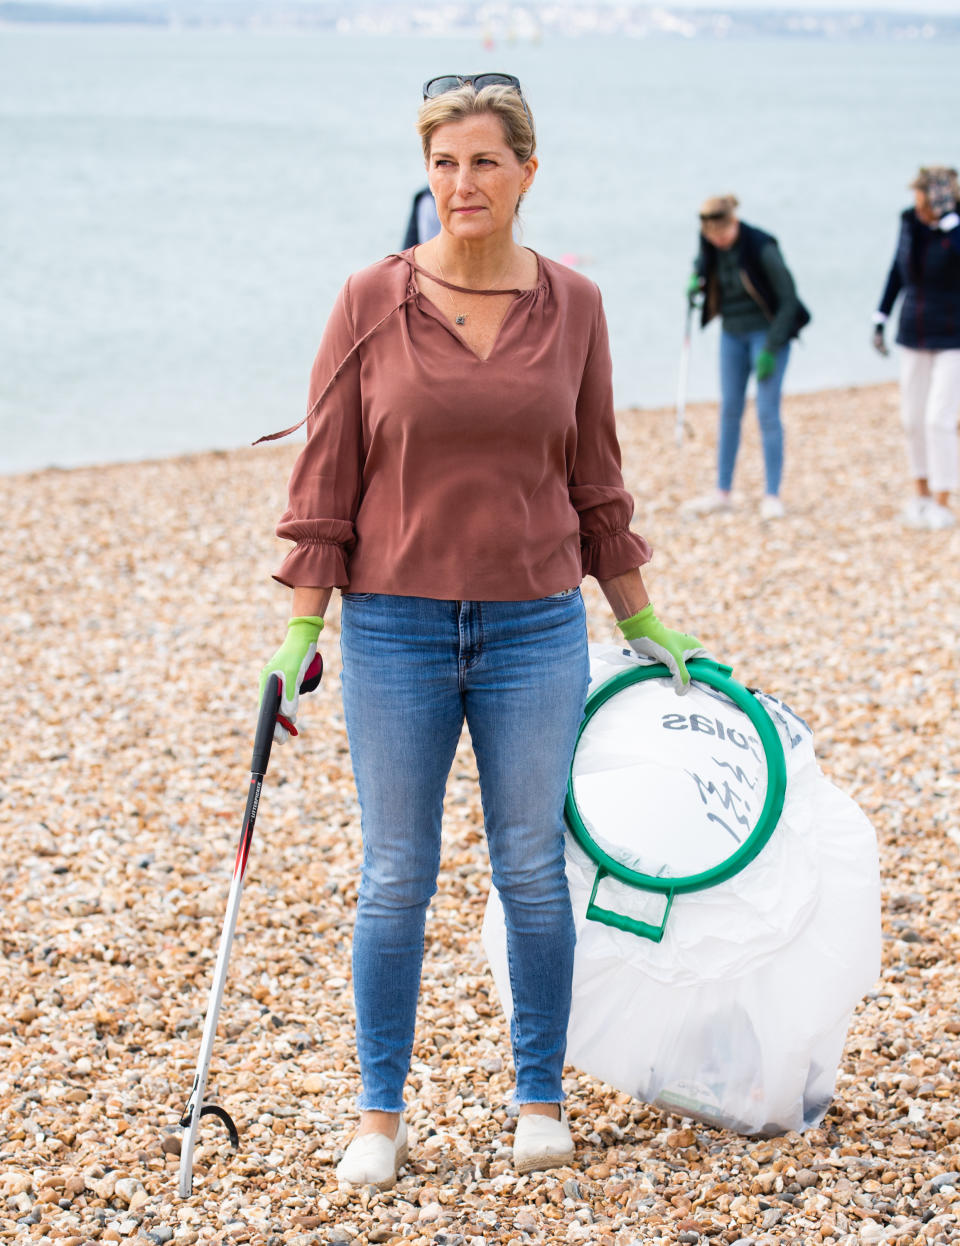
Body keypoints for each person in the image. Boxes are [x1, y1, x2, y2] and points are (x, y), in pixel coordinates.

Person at [256, 73, 704, 1188]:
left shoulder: (578, 304)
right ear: (426, 173)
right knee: (396, 874)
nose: (463, 183)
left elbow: (596, 477)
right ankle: (378, 1114)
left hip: (535, 628)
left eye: (485, 162)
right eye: (444, 163)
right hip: (395, 628)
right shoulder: (370, 297)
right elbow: (326, 479)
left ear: (527, 172)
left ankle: (538, 1096)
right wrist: (296, 633)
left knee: (531, 871)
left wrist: (643, 617)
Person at [684, 195, 810, 520]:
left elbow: (789, 301)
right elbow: (703, 265)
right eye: (712, 237)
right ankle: (722, 491)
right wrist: (695, 281)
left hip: (768, 334)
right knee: (729, 410)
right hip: (732, 334)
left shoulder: (761, 247)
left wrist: (771, 348)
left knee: (767, 412)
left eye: (722, 236)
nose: (718, 242)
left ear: (733, 223)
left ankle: (773, 495)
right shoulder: (709, 241)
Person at [873, 165, 960, 530]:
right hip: (914, 331)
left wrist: (951, 225)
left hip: (954, 335)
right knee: (912, 417)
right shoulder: (909, 222)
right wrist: (880, 315)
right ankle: (921, 493)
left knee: (938, 418)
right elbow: (898, 268)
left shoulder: (956, 227)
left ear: (941, 198)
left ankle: (944, 497)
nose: (919, 206)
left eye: (924, 199)